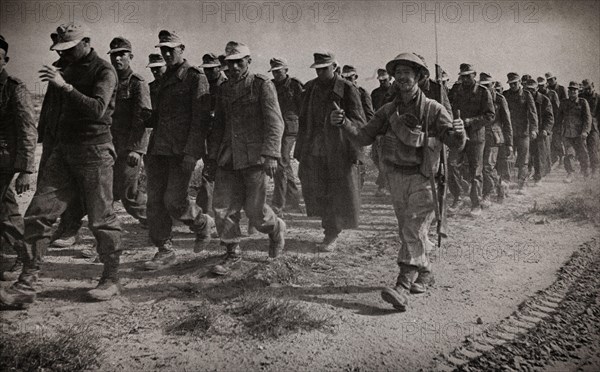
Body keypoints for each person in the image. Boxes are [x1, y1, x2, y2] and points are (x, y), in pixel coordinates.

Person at [0, 23, 123, 306]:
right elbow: (51, 114)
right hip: (63, 152)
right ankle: (26, 284)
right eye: (61, 50)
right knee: (38, 214)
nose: (65, 55)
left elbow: (96, 109)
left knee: (102, 218)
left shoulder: (104, 71)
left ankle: (111, 279)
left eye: (70, 49)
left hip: (95, 152)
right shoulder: (64, 68)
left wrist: (64, 86)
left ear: (87, 42)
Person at [331, 52, 466, 311]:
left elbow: (455, 144)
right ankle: (424, 272)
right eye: (399, 72)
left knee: (413, 229)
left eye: (409, 72)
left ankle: (402, 286)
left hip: (424, 178)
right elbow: (363, 137)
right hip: (395, 177)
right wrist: (344, 123)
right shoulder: (388, 110)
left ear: (419, 77)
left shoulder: (433, 109)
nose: (403, 77)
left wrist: (459, 133)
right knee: (408, 230)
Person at [208, 41, 286, 276]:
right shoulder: (223, 89)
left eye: (238, 63)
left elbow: (275, 122)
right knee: (222, 208)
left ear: (248, 62)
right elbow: (218, 125)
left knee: (256, 213)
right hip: (228, 158)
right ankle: (232, 253)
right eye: (229, 63)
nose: (232, 68)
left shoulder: (262, 85)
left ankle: (276, 229)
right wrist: (212, 158)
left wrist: (271, 154)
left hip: (254, 159)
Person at [143, 30, 213, 270]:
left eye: (171, 49)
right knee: (154, 203)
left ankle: (201, 223)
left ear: (182, 49)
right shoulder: (162, 78)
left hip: (181, 152)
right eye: (163, 49)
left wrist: (192, 153)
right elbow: (162, 116)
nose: (167, 53)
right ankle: (164, 249)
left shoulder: (195, 78)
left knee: (174, 201)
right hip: (159, 150)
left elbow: (200, 119)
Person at [294, 52, 366, 252]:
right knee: (320, 191)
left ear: (335, 67)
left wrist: (343, 121)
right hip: (315, 148)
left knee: (337, 192)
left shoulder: (347, 88)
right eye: (317, 68)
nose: (320, 72)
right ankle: (329, 229)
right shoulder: (310, 88)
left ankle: (331, 233)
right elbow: (303, 119)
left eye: (324, 68)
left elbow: (360, 122)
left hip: (339, 149)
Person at [0, 35, 37, 282]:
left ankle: (27, 259)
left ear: (5, 60)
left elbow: (28, 130)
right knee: (6, 210)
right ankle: (27, 256)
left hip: (3, 158)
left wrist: (25, 169)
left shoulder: (14, 88)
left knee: (5, 211)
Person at [448, 63, 495, 215]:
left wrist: (470, 121)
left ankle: (476, 203)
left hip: (476, 136)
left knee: (476, 170)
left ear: (475, 75)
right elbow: (449, 109)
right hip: (458, 135)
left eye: (468, 76)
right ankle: (457, 198)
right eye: (463, 76)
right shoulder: (456, 90)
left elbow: (490, 116)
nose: (466, 79)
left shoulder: (483, 92)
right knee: (452, 164)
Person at [268, 57, 304, 215]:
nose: (276, 74)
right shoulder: (270, 85)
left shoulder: (295, 85)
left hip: (290, 128)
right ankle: (294, 202)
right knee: (284, 163)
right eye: (274, 72)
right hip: (276, 128)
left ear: (286, 70)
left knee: (281, 161)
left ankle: (278, 204)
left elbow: (303, 107)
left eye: (279, 71)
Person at [478, 73, 512, 205]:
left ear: (493, 85)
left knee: (488, 166)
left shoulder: (499, 99)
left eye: (488, 85)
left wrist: (509, 143)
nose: (485, 88)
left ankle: (488, 194)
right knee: (483, 167)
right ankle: (499, 186)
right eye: (483, 86)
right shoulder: (479, 98)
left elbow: (507, 122)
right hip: (480, 136)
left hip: (494, 137)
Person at [503, 72, 538, 192]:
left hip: (523, 132)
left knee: (523, 159)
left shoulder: (526, 94)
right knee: (507, 157)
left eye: (515, 83)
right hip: (510, 132)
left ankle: (522, 184)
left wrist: (534, 129)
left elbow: (533, 114)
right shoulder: (505, 95)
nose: (513, 86)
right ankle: (505, 183)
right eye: (511, 84)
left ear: (519, 83)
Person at [341, 65, 373, 190]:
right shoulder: (340, 91)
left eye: (351, 77)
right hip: (344, 132)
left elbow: (370, 115)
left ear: (356, 77)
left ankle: (357, 191)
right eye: (345, 77)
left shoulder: (362, 93)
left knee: (359, 163)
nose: (348, 80)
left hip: (359, 132)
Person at [558, 81, 592, 182]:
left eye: (574, 90)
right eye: (570, 90)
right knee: (569, 154)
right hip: (567, 133)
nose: (572, 92)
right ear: (568, 92)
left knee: (583, 153)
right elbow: (559, 118)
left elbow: (587, 119)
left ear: (578, 92)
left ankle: (585, 171)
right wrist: (558, 131)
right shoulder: (564, 103)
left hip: (579, 133)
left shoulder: (582, 102)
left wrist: (586, 131)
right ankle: (570, 173)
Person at [524, 79, 554, 184]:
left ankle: (538, 177)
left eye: (532, 89)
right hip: (526, 131)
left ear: (537, 89)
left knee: (539, 155)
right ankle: (526, 175)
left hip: (540, 131)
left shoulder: (544, 100)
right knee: (526, 154)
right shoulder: (523, 98)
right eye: (527, 89)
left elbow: (549, 118)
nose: (530, 92)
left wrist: (546, 129)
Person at [370, 68, 393, 197]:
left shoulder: (395, 92)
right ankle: (384, 181)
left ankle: (384, 185)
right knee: (375, 157)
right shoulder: (375, 93)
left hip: (391, 128)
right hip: (379, 128)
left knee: (387, 158)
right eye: (380, 80)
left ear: (390, 78)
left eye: (385, 80)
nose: (382, 82)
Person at [537, 76, 561, 171]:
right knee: (545, 145)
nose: (541, 87)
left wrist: (555, 123)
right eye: (539, 86)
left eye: (542, 85)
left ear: (546, 84)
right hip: (542, 122)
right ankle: (547, 166)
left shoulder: (552, 93)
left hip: (552, 121)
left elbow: (557, 109)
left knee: (550, 144)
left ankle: (552, 163)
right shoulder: (538, 95)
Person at [579, 79, 599, 176]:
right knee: (582, 149)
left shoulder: (598, 98)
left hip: (594, 127)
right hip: (581, 126)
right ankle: (584, 169)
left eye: (589, 88)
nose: (587, 91)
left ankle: (594, 169)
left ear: (593, 86)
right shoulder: (581, 97)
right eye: (585, 89)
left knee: (593, 149)